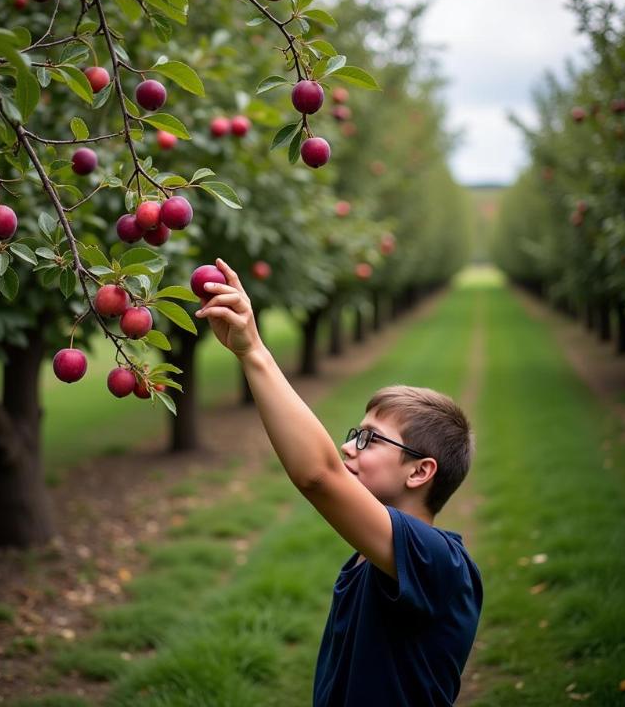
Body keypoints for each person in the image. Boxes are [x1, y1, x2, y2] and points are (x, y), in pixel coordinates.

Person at [195, 258, 483, 707]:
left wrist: (253, 352)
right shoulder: (370, 559)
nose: (348, 447)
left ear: (420, 471)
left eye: (370, 440)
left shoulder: (438, 561)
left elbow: (318, 477)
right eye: (355, 434)